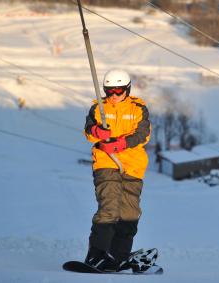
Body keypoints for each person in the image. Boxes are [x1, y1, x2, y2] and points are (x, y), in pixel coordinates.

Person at [83, 69, 151, 271]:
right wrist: (96, 131)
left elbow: (143, 134)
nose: (113, 95)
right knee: (109, 208)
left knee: (129, 213)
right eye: (109, 90)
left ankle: (117, 257)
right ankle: (96, 255)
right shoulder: (98, 108)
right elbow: (88, 130)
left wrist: (121, 143)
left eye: (118, 90)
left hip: (132, 164)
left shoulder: (138, 107)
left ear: (127, 89)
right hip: (106, 161)